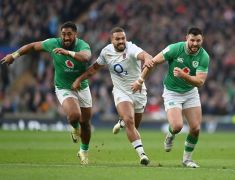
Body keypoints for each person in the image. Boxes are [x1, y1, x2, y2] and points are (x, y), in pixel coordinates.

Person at [1, 21, 93, 165]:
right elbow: (31, 46)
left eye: (69, 34)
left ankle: (83, 151)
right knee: (75, 115)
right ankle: (74, 128)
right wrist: (14, 55)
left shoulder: (82, 45)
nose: (66, 37)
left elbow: (86, 57)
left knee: (86, 123)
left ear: (75, 34)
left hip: (82, 87)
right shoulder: (52, 43)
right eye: (63, 34)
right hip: (63, 87)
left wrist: (67, 52)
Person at [72, 27, 153, 166]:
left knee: (134, 126)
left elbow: (145, 55)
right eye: (118, 39)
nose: (121, 41)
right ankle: (142, 155)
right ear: (112, 40)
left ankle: (121, 122)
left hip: (139, 92)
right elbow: (94, 68)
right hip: (121, 92)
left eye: (123, 38)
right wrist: (79, 79)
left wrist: (147, 59)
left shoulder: (131, 48)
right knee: (129, 121)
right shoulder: (106, 52)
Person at [132, 27, 210, 168]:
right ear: (187, 38)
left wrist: (183, 75)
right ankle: (170, 134)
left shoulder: (204, 56)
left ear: (202, 40)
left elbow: (200, 82)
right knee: (177, 126)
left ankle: (187, 160)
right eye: (192, 40)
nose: (195, 44)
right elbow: (153, 62)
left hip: (190, 92)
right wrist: (140, 80)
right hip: (172, 92)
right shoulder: (174, 49)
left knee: (196, 128)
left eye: (198, 41)